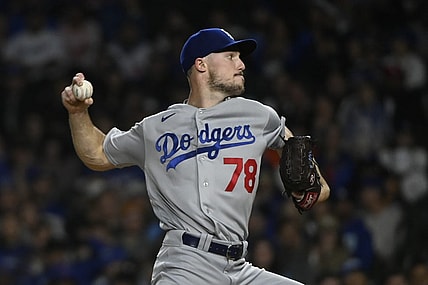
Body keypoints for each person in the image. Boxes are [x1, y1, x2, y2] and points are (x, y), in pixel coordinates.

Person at [61, 28, 330, 285]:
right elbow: (97, 154)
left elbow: (307, 171)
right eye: (231, 57)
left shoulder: (259, 116)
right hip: (185, 265)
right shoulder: (155, 128)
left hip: (239, 266)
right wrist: (77, 113)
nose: (241, 64)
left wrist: (311, 187)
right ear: (201, 64)